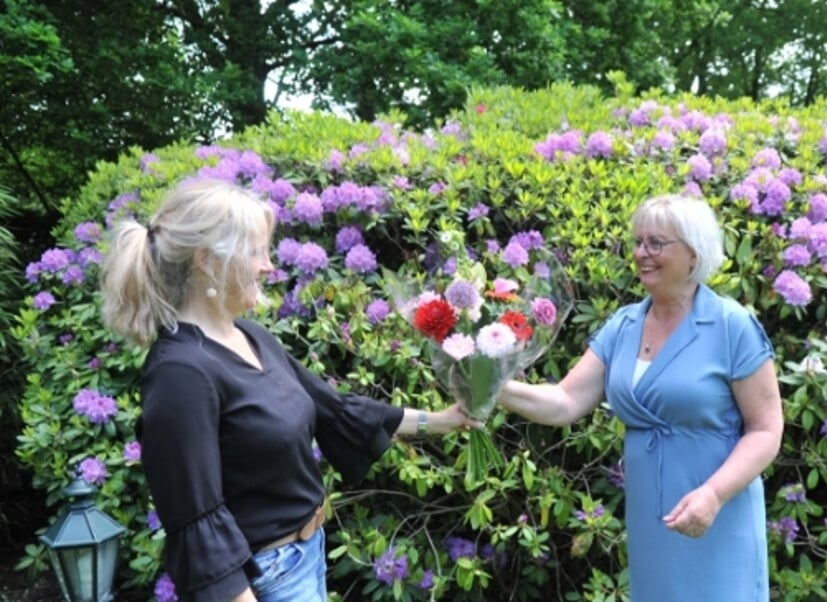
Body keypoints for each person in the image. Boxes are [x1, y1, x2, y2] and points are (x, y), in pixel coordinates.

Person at [100, 178, 476, 602]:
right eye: (256, 251)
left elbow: (336, 410)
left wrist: (444, 421)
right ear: (207, 260)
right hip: (263, 581)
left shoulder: (251, 336)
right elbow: (195, 516)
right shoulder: (180, 373)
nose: (268, 265)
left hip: (305, 557)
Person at [499, 193, 784, 601]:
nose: (641, 254)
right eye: (638, 242)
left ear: (693, 253)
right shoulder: (624, 325)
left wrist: (714, 494)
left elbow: (766, 429)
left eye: (655, 243)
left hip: (716, 511)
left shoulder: (731, 325)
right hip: (652, 516)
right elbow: (564, 401)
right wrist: (492, 388)